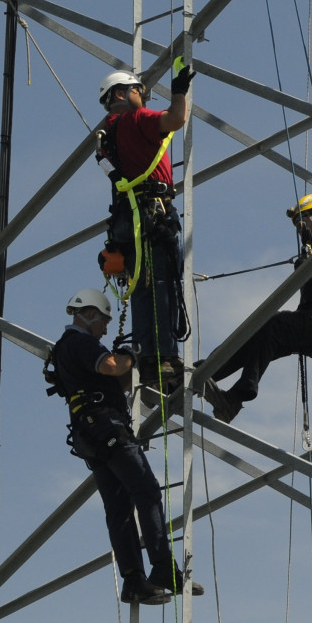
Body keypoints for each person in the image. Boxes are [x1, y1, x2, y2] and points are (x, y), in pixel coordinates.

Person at [46, 287, 204, 604]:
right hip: (107, 427)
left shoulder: (67, 349)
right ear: (89, 314)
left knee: (119, 509)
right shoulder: (80, 342)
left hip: (91, 434)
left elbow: (113, 378)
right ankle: (162, 567)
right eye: (103, 321)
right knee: (146, 489)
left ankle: (133, 581)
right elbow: (111, 367)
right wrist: (131, 355)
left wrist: (126, 365)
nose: (105, 328)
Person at [201, 193, 312, 423]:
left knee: (273, 324)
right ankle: (204, 377)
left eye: (303, 222)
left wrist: (311, 270)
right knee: (255, 337)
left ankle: (242, 388)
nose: (301, 230)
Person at [95, 63, 195, 390]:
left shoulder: (108, 133)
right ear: (123, 94)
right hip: (153, 214)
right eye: (139, 90)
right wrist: (179, 91)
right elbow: (176, 118)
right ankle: (164, 356)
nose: (143, 96)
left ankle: (148, 355)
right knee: (163, 281)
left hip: (128, 219)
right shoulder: (136, 120)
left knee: (143, 285)